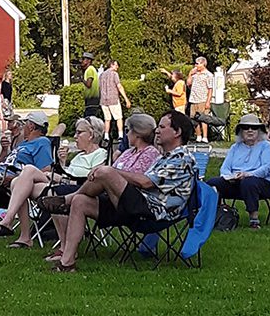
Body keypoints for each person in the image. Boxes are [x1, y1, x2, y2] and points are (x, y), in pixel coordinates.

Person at [40, 111, 196, 273]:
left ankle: (66, 200)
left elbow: (146, 182)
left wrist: (113, 173)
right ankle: (67, 262)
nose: (157, 130)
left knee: (106, 172)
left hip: (152, 212)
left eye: (162, 127)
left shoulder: (182, 158)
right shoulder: (164, 157)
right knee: (80, 202)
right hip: (135, 206)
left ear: (177, 132)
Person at [0, 117, 106, 248]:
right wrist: (63, 163)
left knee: (28, 170)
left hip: (77, 190)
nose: (75, 136)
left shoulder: (100, 154)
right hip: (58, 184)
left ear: (91, 135)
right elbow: (68, 173)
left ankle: (9, 222)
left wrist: (59, 178)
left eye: (79, 132)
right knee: (16, 182)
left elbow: (92, 181)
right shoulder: (79, 156)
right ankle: (24, 237)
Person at [207, 113, 270, 229]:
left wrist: (248, 174)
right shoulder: (235, 147)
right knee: (212, 182)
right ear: (240, 131)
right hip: (236, 182)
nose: (250, 130)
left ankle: (254, 220)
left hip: (261, 183)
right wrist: (230, 177)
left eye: (253, 127)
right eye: (245, 127)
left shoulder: (266, 146)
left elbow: (267, 168)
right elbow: (225, 167)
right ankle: (215, 216)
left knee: (249, 182)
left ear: (259, 130)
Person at [99, 59, 131, 145]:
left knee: (107, 119)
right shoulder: (114, 74)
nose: (117, 67)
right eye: (116, 65)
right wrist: (126, 99)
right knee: (119, 118)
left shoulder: (101, 75)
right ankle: (120, 135)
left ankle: (106, 136)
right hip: (113, 99)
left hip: (103, 100)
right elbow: (119, 86)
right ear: (112, 65)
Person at [187, 57, 214, 142]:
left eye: (197, 64)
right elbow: (188, 83)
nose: (196, 65)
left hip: (203, 99)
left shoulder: (208, 75)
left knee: (203, 118)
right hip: (193, 99)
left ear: (203, 64)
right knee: (194, 119)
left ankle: (205, 137)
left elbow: (210, 89)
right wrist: (190, 74)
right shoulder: (195, 74)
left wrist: (208, 102)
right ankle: (198, 136)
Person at [80, 52, 100, 119]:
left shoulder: (90, 70)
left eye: (83, 59)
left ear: (89, 61)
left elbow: (88, 84)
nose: (82, 61)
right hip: (93, 99)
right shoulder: (91, 69)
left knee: (89, 119)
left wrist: (82, 80)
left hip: (91, 99)